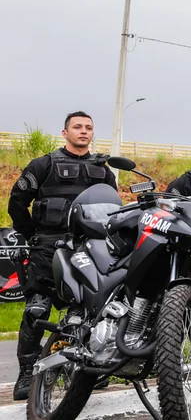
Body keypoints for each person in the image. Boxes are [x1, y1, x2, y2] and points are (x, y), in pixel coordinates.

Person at [7, 111, 117, 400]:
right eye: (77, 127)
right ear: (64, 132)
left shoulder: (104, 170)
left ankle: (86, 370)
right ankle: (27, 374)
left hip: (89, 248)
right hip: (48, 246)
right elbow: (17, 203)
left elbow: (114, 209)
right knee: (37, 310)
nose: (83, 131)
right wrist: (32, 235)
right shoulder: (43, 164)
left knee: (87, 310)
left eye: (89, 127)